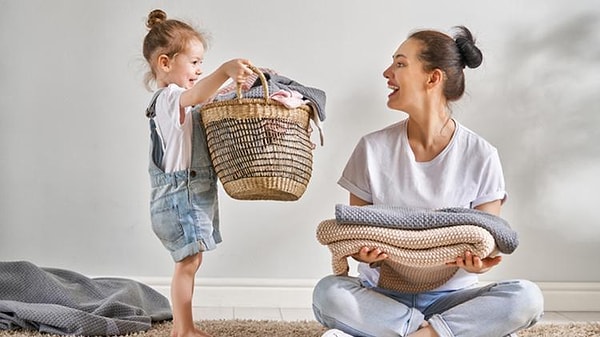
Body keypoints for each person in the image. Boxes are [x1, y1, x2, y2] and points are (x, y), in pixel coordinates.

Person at [312, 26, 544, 337]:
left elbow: (487, 241)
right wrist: (360, 253)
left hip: (451, 299)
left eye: (400, 64)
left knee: (525, 298)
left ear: (432, 78)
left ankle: (419, 333)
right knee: (329, 294)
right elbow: (358, 231)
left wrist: (480, 263)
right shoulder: (372, 148)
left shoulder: (481, 154)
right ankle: (437, 333)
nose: (386, 72)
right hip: (382, 297)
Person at [141, 9, 252, 337]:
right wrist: (224, 71)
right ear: (165, 63)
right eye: (194, 62)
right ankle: (183, 329)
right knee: (187, 264)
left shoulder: (182, 103)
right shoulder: (168, 98)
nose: (199, 69)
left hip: (191, 193)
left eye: (202, 63)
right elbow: (199, 93)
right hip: (179, 198)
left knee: (191, 262)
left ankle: (184, 326)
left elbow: (204, 99)